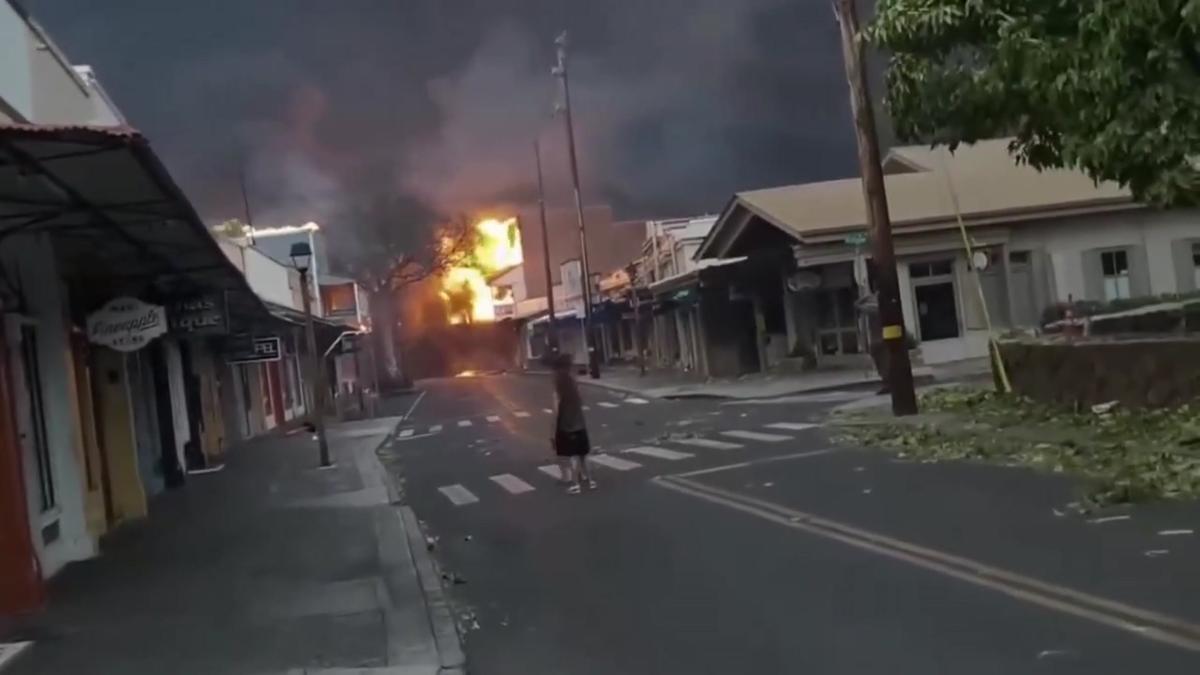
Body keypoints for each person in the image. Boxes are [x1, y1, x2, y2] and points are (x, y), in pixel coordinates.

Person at [551, 353, 595, 494]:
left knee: (572, 456)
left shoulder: (559, 382)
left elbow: (556, 407)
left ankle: (575, 485)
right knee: (584, 454)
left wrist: (553, 427)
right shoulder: (573, 382)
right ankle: (590, 480)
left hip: (567, 425)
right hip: (580, 423)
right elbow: (581, 401)